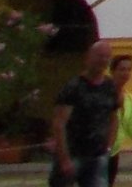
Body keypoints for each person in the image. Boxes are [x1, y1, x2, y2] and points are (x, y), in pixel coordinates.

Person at [49, 40, 120, 187]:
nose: (103, 60)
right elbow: (59, 123)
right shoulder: (73, 87)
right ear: (88, 57)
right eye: (100, 56)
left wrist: (108, 146)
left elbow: (114, 117)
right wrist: (64, 159)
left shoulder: (110, 87)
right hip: (73, 153)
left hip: (97, 156)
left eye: (107, 57)